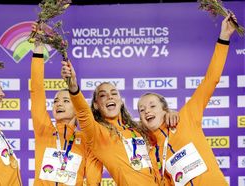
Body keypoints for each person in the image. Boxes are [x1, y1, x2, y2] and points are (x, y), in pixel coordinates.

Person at [137, 14, 236, 186]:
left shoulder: (186, 117)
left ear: (164, 110)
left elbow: (210, 80)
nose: (147, 111)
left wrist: (224, 38)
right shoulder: (153, 154)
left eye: (152, 105)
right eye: (142, 109)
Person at [60, 56, 179, 185]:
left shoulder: (139, 129)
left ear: (121, 101)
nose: (110, 96)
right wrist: (73, 87)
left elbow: (162, 135)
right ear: (96, 104)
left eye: (114, 93)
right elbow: (83, 113)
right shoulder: (97, 135)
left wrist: (169, 114)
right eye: (103, 95)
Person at [30, 23, 102, 185]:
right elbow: (37, 90)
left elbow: (93, 177)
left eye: (65, 100)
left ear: (77, 109)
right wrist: (38, 48)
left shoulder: (86, 139)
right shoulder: (44, 129)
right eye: (55, 101)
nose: (58, 104)